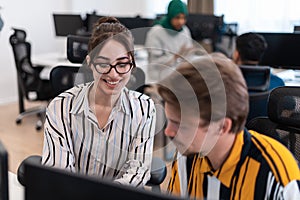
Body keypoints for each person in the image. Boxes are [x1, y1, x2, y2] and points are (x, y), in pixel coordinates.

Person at [156, 52, 300, 199]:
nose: (168, 132)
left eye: (182, 126)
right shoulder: (186, 156)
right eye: (170, 121)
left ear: (222, 127)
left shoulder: (275, 176)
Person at [42, 16, 156, 187]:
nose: (114, 74)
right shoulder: (61, 107)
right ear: (90, 63)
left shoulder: (144, 109)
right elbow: (60, 173)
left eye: (122, 64)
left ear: (132, 65)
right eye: (103, 64)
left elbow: (137, 171)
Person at [144, 0, 194, 82]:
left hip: (178, 77)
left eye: (184, 18)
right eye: (177, 17)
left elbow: (188, 55)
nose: (181, 22)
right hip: (158, 79)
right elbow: (155, 63)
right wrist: (176, 56)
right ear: (170, 16)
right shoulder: (156, 32)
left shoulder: (184, 30)